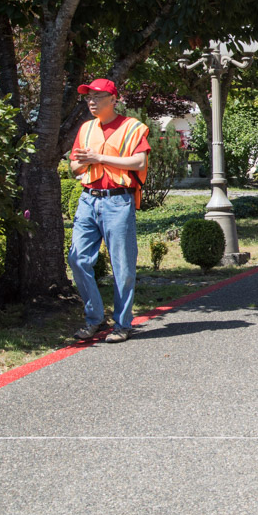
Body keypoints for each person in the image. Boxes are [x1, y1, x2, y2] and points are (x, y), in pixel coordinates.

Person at [67, 78, 150, 343]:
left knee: (122, 266)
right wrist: (83, 163)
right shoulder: (86, 128)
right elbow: (74, 167)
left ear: (113, 100)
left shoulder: (132, 127)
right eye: (88, 97)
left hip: (118, 201)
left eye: (97, 97)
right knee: (77, 259)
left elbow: (139, 162)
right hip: (88, 199)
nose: (91, 102)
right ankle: (95, 318)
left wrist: (98, 158)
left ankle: (123, 324)